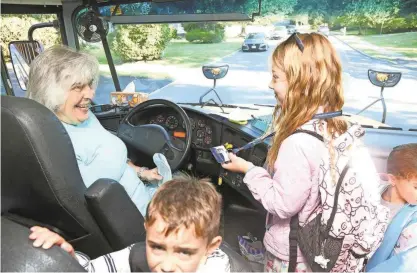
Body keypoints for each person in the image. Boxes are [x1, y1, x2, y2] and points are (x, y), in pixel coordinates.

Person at [222, 33, 386, 272]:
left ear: (301, 83)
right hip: (319, 249)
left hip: (292, 257)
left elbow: (281, 204)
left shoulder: (298, 144)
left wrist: (249, 170)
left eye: (276, 77)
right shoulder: (335, 127)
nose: (270, 84)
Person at [26, 45, 168, 216]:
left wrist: (142, 173)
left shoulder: (82, 116)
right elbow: (92, 206)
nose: (91, 94)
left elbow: (112, 158)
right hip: (142, 220)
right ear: (50, 91)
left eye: (89, 84)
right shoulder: (55, 142)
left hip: (147, 195)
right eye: (78, 87)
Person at [28, 175, 232, 272]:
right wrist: (67, 256)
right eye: (157, 247)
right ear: (147, 232)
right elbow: (91, 270)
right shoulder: (135, 255)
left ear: (211, 247)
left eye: (184, 252)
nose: (167, 267)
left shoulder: (216, 267)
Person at [366, 143, 417, 272]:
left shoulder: (412, 218)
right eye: (416, 187)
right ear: (392, 179)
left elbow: (405, 263)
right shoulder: (368, 193)